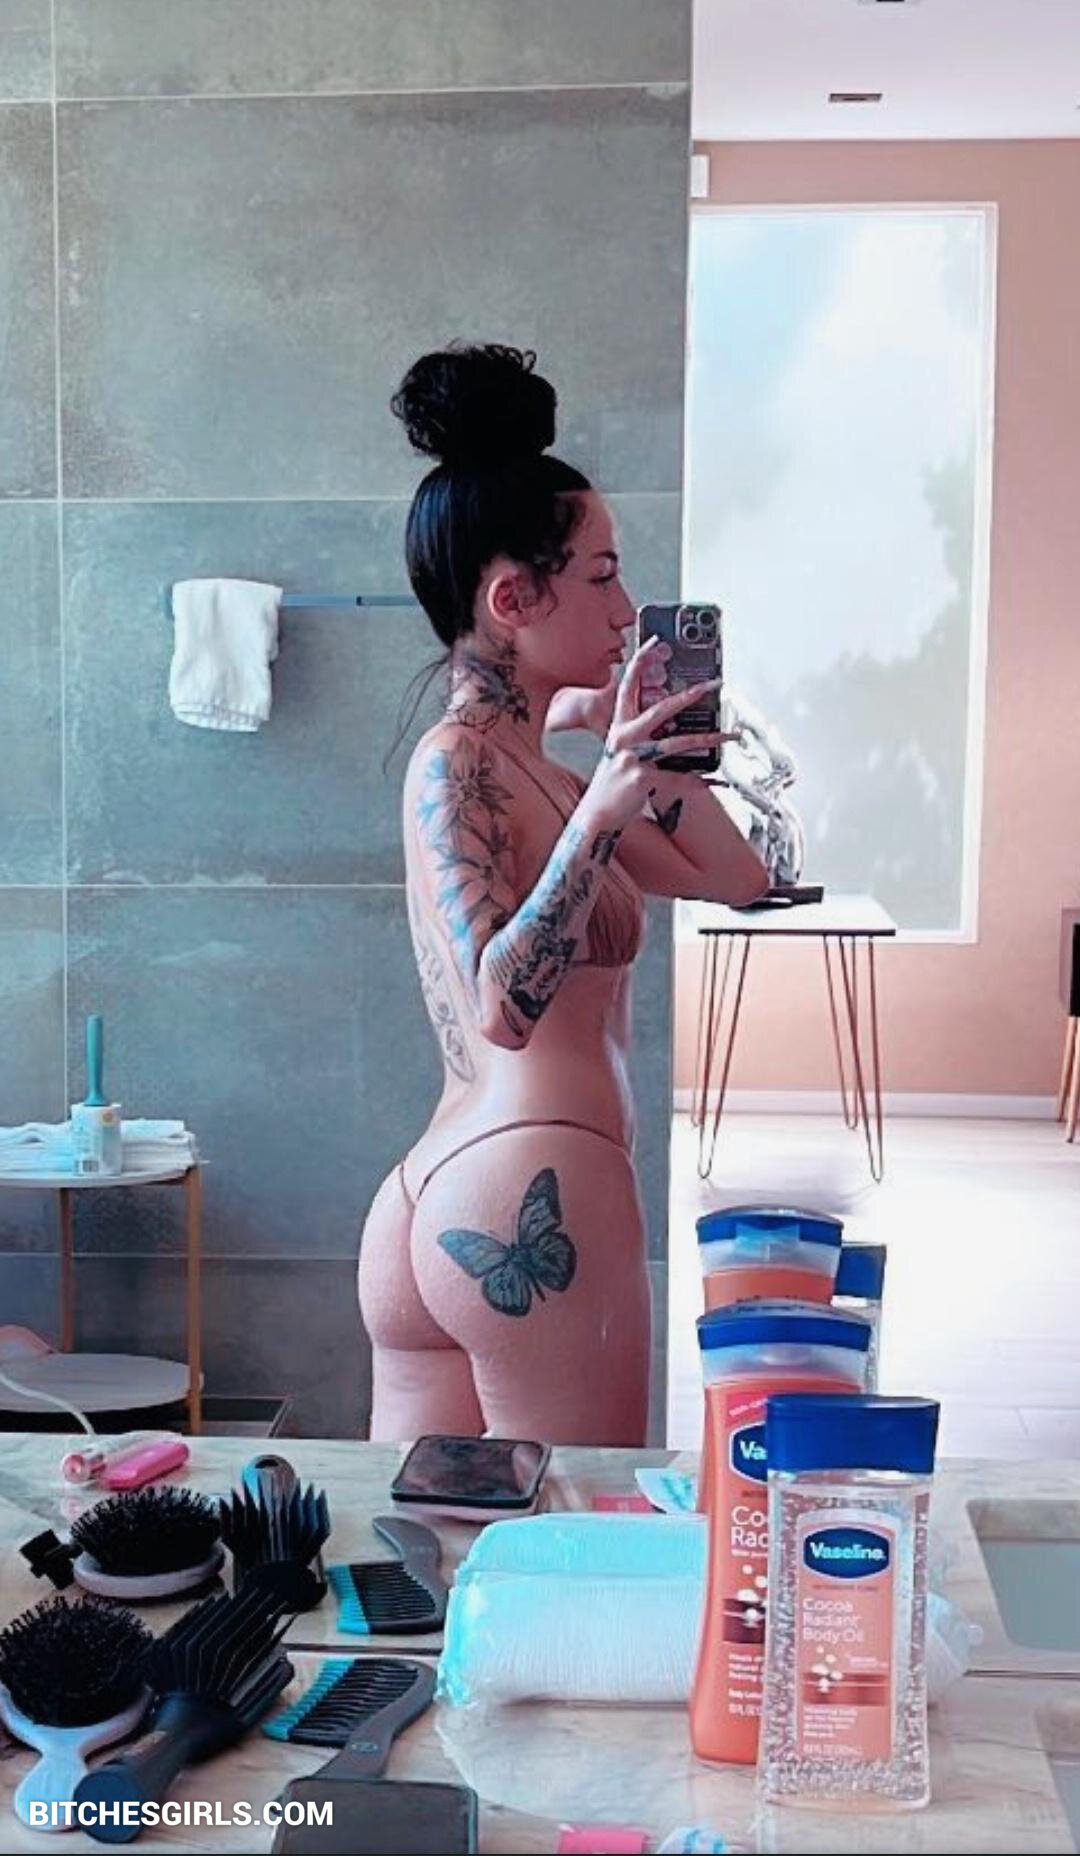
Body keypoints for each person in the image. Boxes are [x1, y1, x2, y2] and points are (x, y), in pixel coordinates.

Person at [358, 344, 767, 1445]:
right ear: (512, 598)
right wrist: (601, 813)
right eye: (601, 576)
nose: (629, 609)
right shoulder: (454, 762)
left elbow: (739, 879)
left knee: (433, 1540)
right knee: (580, 1520)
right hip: (533, 1180)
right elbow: (501, 1004)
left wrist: (643, 751)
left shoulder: (550, 771)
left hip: (462, 1185)